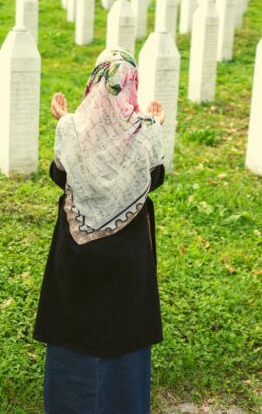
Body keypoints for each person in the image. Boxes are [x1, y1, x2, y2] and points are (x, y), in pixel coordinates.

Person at [32, 48, 166, 413]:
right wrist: (155, 126)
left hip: (77, 256)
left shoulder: (70, 129)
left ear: (93, 83)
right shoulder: (147, 132)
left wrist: (65, 119)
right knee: (123, 339)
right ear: (132, 87)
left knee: (73, 335)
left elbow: (61, 175)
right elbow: (154, 179)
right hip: (129, 259)